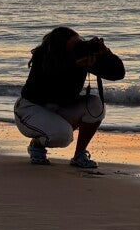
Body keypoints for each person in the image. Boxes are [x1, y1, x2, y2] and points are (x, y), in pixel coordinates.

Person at [14, 26, 124, 170]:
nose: (78, 48)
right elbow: (53, 89)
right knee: (64, 136)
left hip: (60, 109)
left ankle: (79, 155)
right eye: (74, 46)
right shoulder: (43, 58)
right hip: (30, 110)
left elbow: (118, 73)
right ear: (59, 48)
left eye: (80, 43)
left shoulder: (81, 58)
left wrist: (106, 54)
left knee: (96, 105)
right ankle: (37, 144)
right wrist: (74, 65)